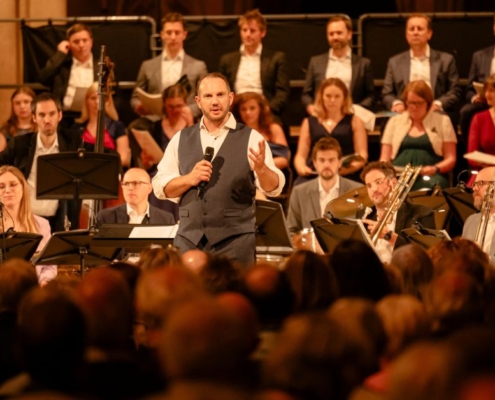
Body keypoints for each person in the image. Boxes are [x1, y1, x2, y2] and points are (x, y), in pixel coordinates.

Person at [152, 72, 285, 268]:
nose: (215, 101)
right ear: (198, 101)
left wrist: (262, 169)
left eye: (220, 95)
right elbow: (160, 187)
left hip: (235, 243)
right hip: (189, 242)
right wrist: (189, 179)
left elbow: (274, 188)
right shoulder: (181, 138)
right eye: (208, 96)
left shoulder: (251, 137)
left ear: (230, 98)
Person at [0, 92, 84, 232]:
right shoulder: (20, 144)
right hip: (26, 219)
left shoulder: (72, 141)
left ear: (60, 115)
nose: (47, 119)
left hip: (60, 216)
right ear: (34, 117)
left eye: (51, 114)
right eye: (42, 115)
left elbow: (102, 154)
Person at [131, 12, 208, 129]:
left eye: (177, 33)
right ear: (162, 35)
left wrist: (187, 110)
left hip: (185, 119)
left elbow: (206, 98)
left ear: (184, 34)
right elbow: (135, 98)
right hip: (154, 120)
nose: (173, 37)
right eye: (168, 32)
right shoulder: (147, 66)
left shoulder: (198, 66)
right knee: (135, 127)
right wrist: (139, 107)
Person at [380, 80, 457, 191]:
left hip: (431, 176)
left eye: (419, 103)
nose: (414, 107)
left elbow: (451, 158)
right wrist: (388, 175)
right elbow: (384, 158)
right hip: (399, 176)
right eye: (411, 103)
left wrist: (434, 169)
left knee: (432, 188)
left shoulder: (443, 121)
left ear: (428, 102)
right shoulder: (394, 121)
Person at [381, 14, 461, 119]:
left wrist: (438, 104)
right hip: (404, 112)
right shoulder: (394, 62)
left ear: (429, 34)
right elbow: (387, 93)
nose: (415, 33)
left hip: (434, 111)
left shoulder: (446, 60)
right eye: (411, 29)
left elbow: (455, 91)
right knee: (387, 121)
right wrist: (397, 104)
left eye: (419, 29)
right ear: (406, 35)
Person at [218, 9, 290, 125]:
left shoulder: (276, 58)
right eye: (244, 30)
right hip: (235, 112)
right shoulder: (227, 60)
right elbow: (222, 91)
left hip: (265, 112)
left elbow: (282, 93)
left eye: (252, 31)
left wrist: (267, 110)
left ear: (263, 32)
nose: (248, 34)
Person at [294, 77, 368, 185]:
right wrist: (301, 168)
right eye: (328, 96)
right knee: (299, 187)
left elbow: (362, 154)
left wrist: (349, 169)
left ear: (344, 98)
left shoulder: (355, 121)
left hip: (346, 173)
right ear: (321, 97)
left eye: (337, 96)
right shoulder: (309, 122)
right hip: (315, 172)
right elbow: (300, 155)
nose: (332, 100)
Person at [359, 161, 436, 264]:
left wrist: (390, 237)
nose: (374, 189)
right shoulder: (364, 216)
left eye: (378, 182)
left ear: (394, 183)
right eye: (369, 185)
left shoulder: (421, 214)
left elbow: (425, 254)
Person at [301, 15, 375, 115]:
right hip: (321, 118)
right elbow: (306, 94)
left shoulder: (363, 64)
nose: (335, 37)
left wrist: (356, 110)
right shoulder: (315, 62)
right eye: (331, 34)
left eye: (339, 33)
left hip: (353, 117)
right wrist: (310, 107)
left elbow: (371, 96)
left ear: (349, 34)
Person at [287, 137, 362, 233]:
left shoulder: (357, 190)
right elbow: (291, 230)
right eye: (322, 160)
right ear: (314, 162)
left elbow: (363, 230)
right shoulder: (299, 192)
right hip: (311, 247)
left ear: (339, 162)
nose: (326, 165)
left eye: (331, 160)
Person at [0, 166, 55, 285]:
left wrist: (44, 281)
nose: (7, 190)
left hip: (33, 289)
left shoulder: (42, 224)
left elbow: (49, 264)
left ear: (23, 188)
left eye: (13, 184)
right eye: (1, 186)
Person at [38, 23, 96, 129]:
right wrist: (60, 54)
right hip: (66, 119)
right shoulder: (63, 67)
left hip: (93, 118)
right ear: (68, 44)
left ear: (91, 42)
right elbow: (44, 78)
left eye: (85, 40)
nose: (81, 45)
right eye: (76, 41)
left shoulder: (101, 66)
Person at [72, 82, 131, 168]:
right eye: (93, 98)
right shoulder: (76, 128)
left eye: (101, 98)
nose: (97, 102)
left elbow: (124, 158)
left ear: (107, 101)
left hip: (110, 171)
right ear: (86, 101)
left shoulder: (117, 126)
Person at [459, 15, 495, 146]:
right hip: (485, 101)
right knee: (466, 111)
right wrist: (475, 98)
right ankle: (470, 153)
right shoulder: (479, 56)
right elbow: (469, 90)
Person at [231, 91, 290, 170]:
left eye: (252, 108)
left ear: (260, 109)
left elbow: (283, 160)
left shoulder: (274, 129)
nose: (248, 112)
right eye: (243, 109)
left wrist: (258, 166)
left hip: (273, 173)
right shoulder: (234, 131)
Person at [97, 167, 175, 225]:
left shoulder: (166, 219)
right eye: (126, 184)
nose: (130, 188)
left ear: (149, 188)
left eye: (136, 183)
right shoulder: (106, 217)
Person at [462, 166, 495, 263]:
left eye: (480, 184)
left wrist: (481, 259)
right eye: (474, 184)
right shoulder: (471, 220)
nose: (474, 188)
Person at [467, 74, 495, 171]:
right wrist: (481, 163)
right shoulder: (479, 118)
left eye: (492, 91)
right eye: (486, 90)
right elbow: (472, 153)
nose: (487, 95)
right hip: (486, 170)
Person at [0, 87, 37, 151]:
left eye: (26, 102)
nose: (22, 106)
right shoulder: (5, 130)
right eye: (17, 103)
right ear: (12, 106)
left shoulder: (42, 126)